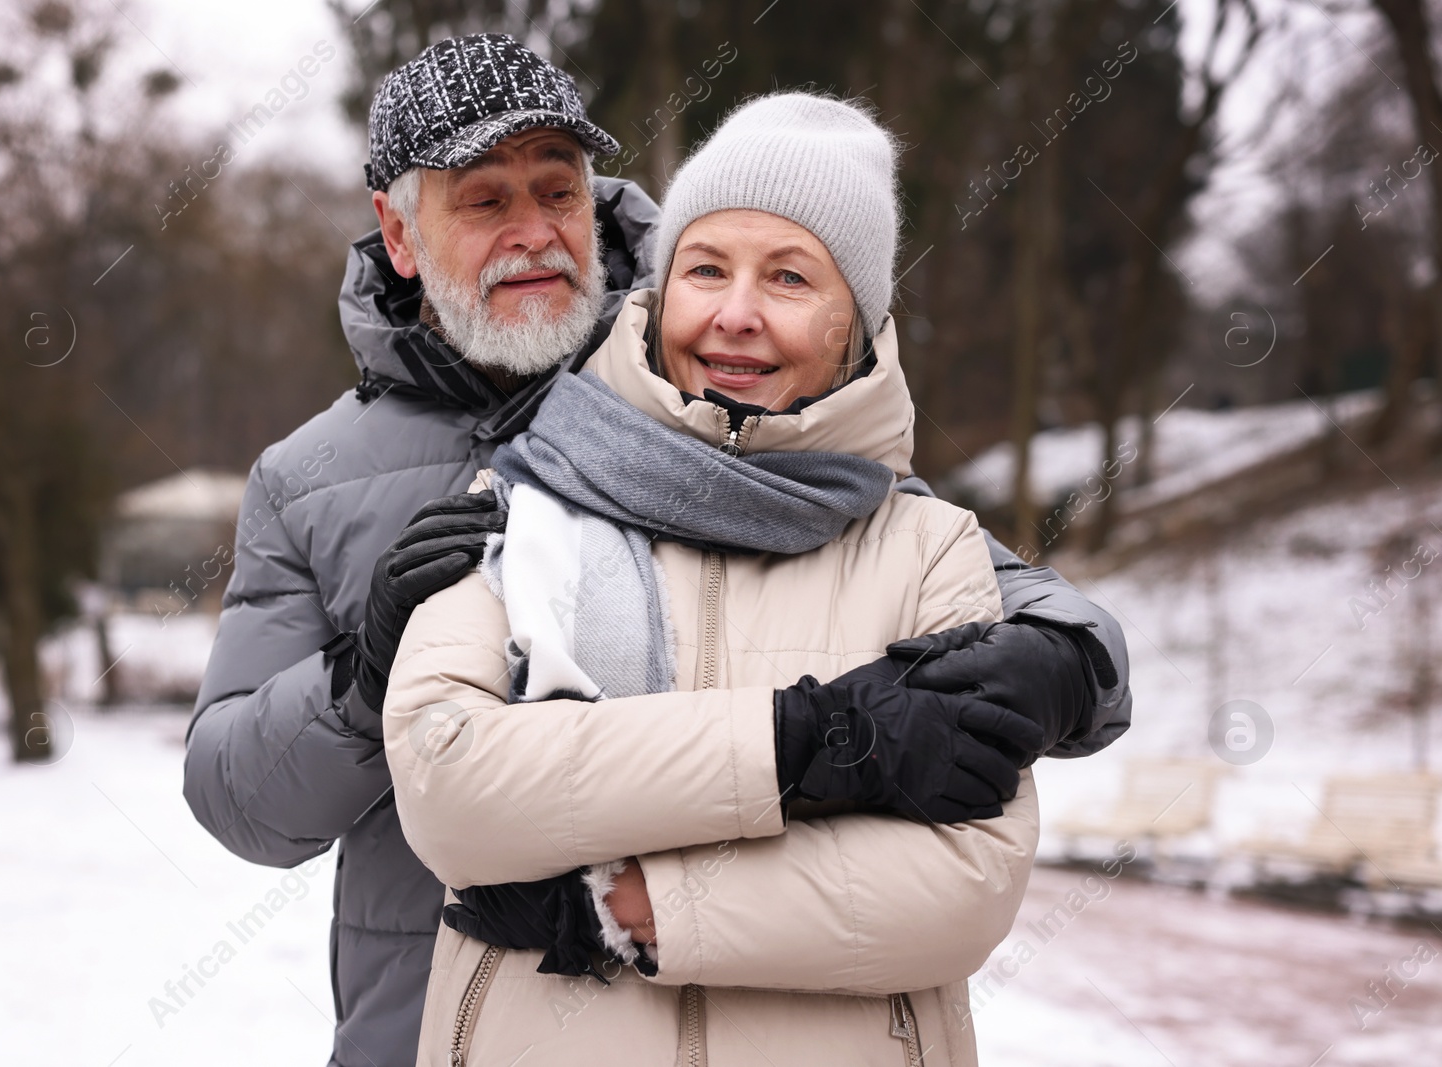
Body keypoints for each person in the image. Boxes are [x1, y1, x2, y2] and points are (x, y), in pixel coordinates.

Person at [183, 35, 1130, 1067]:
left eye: (557, 190)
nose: (534, 233)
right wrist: (360, 686)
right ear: (399, 233)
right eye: (484, 200)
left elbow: (911, 545)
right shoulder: (308, 480)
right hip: (423, 1026)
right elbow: (241, 800)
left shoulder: (719, 379)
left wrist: (1068, 658)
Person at [382, 90, 1041, 1067]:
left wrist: (643, 903)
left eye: (787, 277)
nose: (735, 315)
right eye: (704, 269)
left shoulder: (928, 547)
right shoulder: (532, 491)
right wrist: (800, 744)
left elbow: (966, 880)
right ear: (659, 291)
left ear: (853, 321)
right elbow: (449, 779)